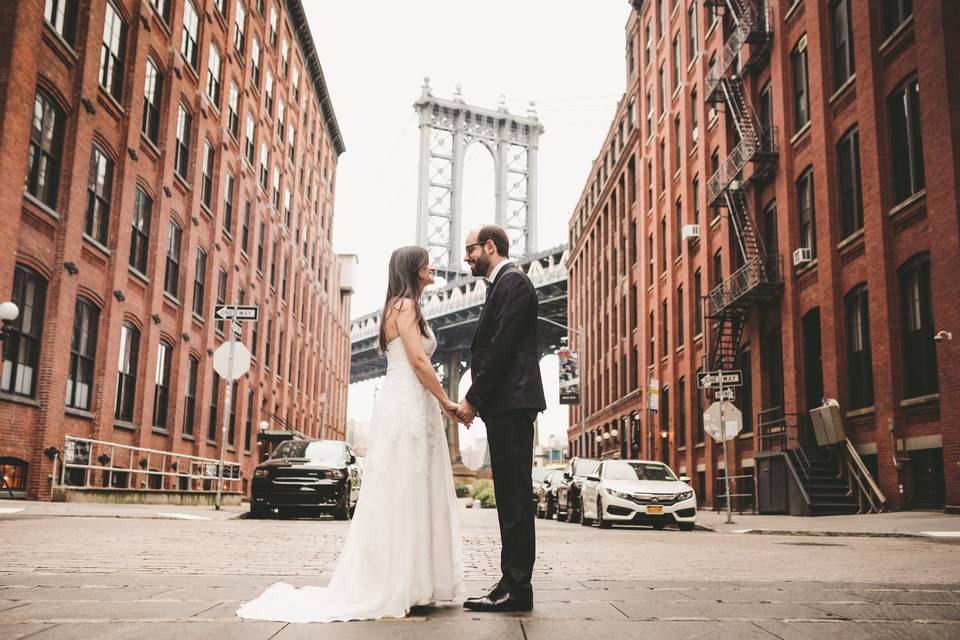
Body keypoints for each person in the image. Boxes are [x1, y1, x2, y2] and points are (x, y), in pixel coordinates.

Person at [237, 246, 464, 623]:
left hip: (410, 404)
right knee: (402, 492)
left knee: (411, 492)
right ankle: (398, 583)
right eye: (427, 261)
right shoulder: (404, 307)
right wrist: (447, 402)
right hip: (405, 405)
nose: (434, 265)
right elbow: (419, 361)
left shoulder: (405, 306)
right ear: (412, 269)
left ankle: (412, 581)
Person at [458, 224, 546, 612]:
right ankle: (511, 583)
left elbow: (502, 347)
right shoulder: (505, 284)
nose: (466, 258)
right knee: (511, 498)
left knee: (513, 499)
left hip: (511, 403)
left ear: (489, 246)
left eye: (470, 250)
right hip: (507, 404)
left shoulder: (513, 282)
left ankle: (516, 588)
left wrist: (473, 399)